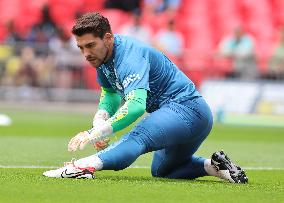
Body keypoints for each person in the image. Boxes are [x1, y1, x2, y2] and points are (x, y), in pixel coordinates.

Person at [43, 12, 248, 183]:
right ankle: (214, 166)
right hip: (182, 115)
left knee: (138, 136)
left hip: (187, 109)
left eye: (90, 45)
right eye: (81, 48)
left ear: (108, 38)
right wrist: (99, 124)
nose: (86, 54)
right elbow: (111, 95)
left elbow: (135, 107)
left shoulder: (129, 56)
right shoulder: (102, 59)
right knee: (163, 171)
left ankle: (83, 167)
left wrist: (92, 134)